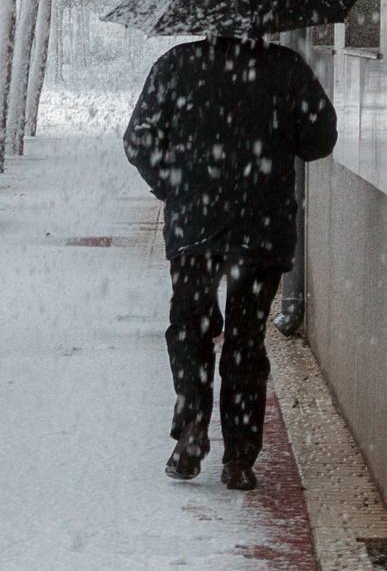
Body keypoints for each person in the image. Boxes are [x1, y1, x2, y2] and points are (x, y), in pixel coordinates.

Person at [123, 34, 336, 491]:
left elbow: (138, 140)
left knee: (190, 326)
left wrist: (173, 185)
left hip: (195, 226)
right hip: (262, 225)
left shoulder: (177, 64)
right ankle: (239, 458)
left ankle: (192, 430)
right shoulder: (285, 67)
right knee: (246, 340)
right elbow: (320, 140)